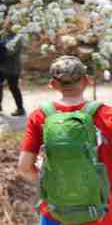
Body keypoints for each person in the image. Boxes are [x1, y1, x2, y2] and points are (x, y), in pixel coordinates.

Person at [18, 56, 112, 225]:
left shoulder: (40, 116)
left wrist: (51, 184)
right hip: (100, 212)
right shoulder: (107, 115)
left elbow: (24, 168)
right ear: (87, 81)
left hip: (55, 212)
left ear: (53, 84)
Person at [0, 29, 25, 116]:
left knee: (13, 88)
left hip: (12, 68)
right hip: (1, 66)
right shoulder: (2, 35)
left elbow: (9, 52)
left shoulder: (18, 38)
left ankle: (20, 108)